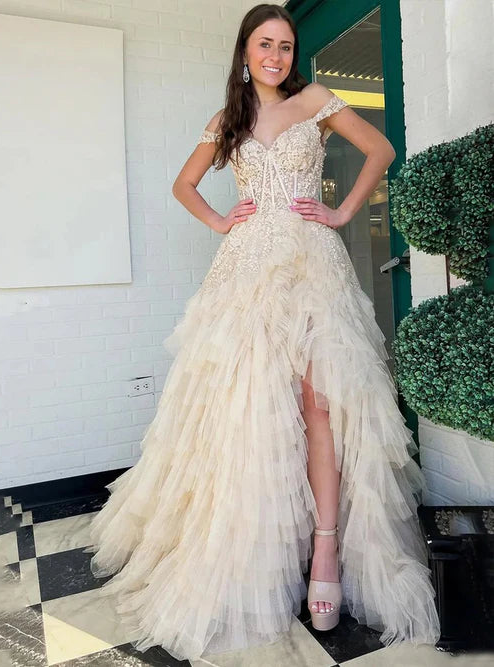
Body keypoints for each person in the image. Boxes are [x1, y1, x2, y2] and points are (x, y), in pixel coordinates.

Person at [85, 3, 441, 662]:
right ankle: (262, 549)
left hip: (312, 266)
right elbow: (184, 184)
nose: (276, 56)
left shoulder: (317, 99)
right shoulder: (230, 118)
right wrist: (222, 221)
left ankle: (326, 549)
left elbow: (381, 149)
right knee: (253, 406)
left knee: (320, 402)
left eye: (284, 45)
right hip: (247, 271)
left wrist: (341, 210)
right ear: (245, 52)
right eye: (264, 45)